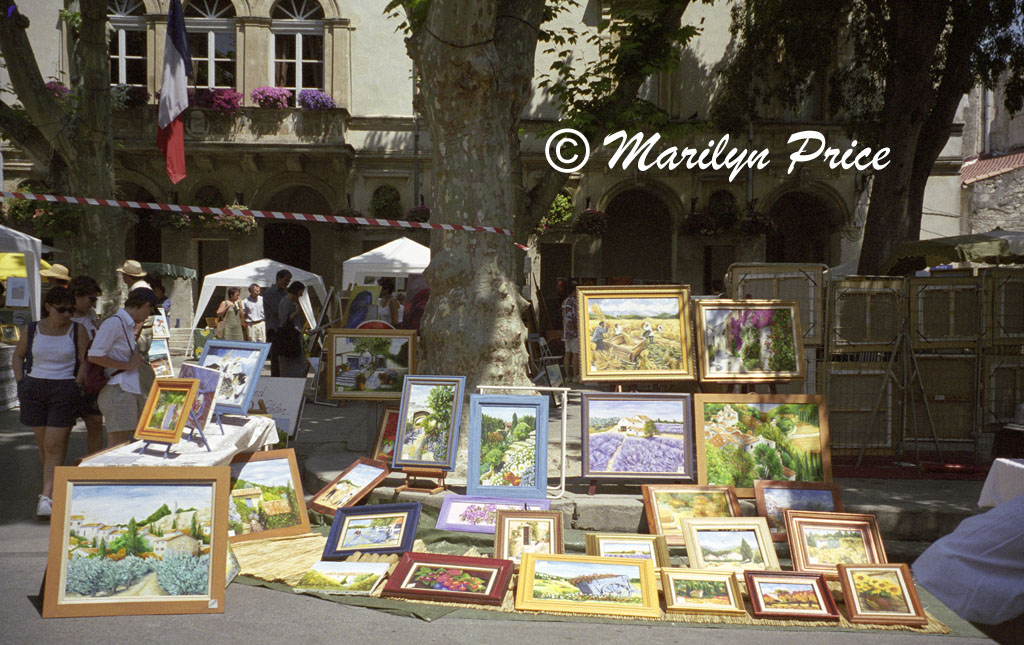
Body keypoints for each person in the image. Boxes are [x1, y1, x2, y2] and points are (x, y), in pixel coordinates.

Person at [13, 287, 88, 517]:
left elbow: (84, 360)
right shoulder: (32, 329)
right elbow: (18, 356)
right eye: (61, 310)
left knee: (54, 444)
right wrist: (21, 382)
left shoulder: (78, 329)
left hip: (63, 388)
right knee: (45, 445)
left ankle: (45, 497)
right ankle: (55, 489)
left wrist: (76, 382)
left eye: (70, 310)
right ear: (48, 307)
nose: (67, 314)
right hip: (34, 387)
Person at [88, 288, 158, 449]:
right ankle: (112, 474)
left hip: (127, 388)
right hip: (117, 390)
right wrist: (127, 365)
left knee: (126, 443)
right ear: (145, 305)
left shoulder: (125, 323)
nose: (148, 316)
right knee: (117, 445)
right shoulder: (114, 323)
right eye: (150, 310)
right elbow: (94, 355)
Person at [68, 275, 104, 455]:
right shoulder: (65, 318)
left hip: (92, 374)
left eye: (95, 299)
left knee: (96, 422)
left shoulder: (90, 315)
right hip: (70, 374)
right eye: (91, 299)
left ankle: (92, 464)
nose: (93, 303)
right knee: (63, 426)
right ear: (76, 295)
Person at [264, 269, 292, 376]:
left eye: (288, 281)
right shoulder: (270, 292)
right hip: (274, 329)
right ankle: (275, 379)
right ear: (278, 278)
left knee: (283, 359)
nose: (287, 283)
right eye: (285, 280)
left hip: (283, 329)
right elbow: (278, 310)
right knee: (276, 359)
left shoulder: (284, 292)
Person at [277, 281, 307, 378]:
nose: (301, 295)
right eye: (301, 292)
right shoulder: (286, 302)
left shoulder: (290, 302)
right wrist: (296, 312)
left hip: (294, 335)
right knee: (291, 365)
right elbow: (284, 320)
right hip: (289, 337)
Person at [560, 279, 579, 381]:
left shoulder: (565, 301)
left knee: (567, 353)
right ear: (574, 291)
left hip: (565, 331)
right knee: (575, 354)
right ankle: (575, 376)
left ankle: (567, 376)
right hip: (574, 332)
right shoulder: (574, 301)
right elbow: (575, 317)